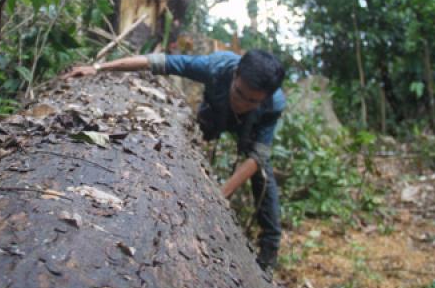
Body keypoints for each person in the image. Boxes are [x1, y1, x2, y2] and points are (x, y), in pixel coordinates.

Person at [65, 50, 286, 272]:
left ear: (266, 98)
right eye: (240, 93)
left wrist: (218, 196)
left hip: (251, 127)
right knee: (192, 140)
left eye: (253, 100)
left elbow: (256, 157)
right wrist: (99, 68)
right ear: (235, 74)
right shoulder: (214, 67)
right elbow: (156, 62)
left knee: (262, 174)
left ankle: (269, 248)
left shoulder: (273, 104)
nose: (243, 103)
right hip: (215, 113)